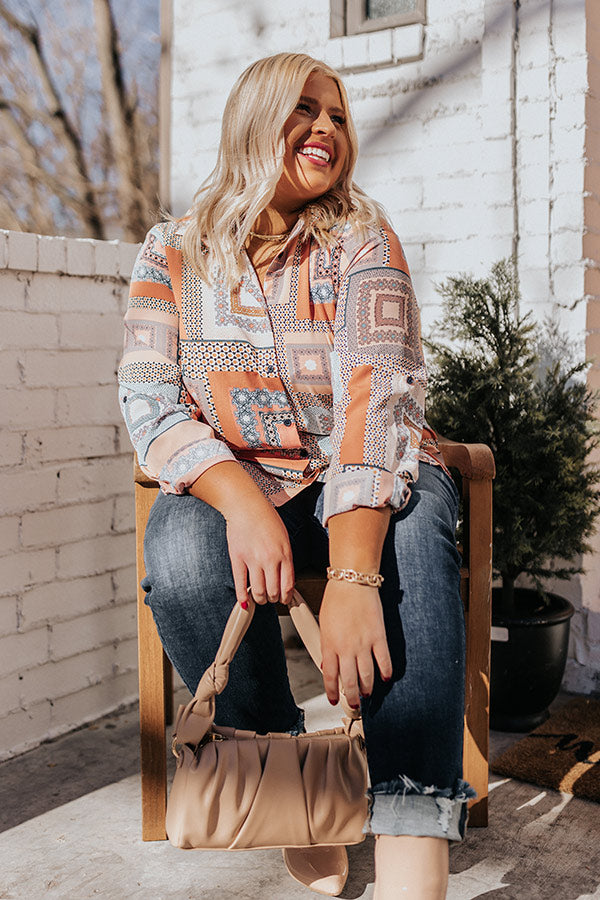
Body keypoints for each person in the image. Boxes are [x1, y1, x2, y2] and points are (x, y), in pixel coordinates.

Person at [118, 52, 473, 899]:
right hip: (243, 479)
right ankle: (285, 774)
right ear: (254, 119)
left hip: (369, 471)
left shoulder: (362, 239)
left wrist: (351, 575)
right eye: (304, 110)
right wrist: (240, 501)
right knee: (178, 554)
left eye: (339, 117)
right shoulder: (170, 255)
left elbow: (377, 397)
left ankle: (409, 825)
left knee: (415, 539)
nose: (327, 128)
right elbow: (149, 402)